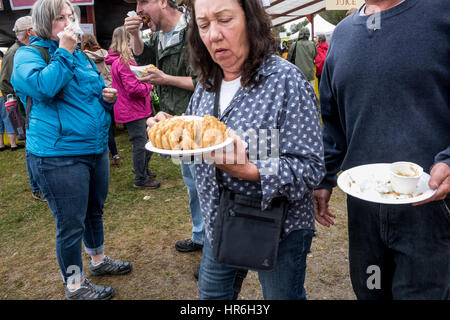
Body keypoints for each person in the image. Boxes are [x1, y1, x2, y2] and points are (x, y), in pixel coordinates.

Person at [148, 0, 325, 299]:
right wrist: (172, 127)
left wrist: (249, 170)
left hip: (278, 227)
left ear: (250, 21)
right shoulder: (207, 83)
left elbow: (310, 168)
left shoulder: (286, 82)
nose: (213, 35)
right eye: (203, 26)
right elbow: (195, 138)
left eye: (225, 20)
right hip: (219, 223)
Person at [315, 0, 450, 299]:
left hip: (431, 210)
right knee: (370, 292)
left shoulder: (442, 12)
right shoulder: (343, 34)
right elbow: (333, 120)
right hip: (364, 210)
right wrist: (323, 179)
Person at [11, 0, 132, 300]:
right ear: (42, 21)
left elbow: (89, 96)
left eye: (71, 16)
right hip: (58, 155)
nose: (68, 22)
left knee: (94, 211)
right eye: (59, 18)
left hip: (93, 149)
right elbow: (43, 88)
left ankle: (99, 261)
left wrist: (107, 99)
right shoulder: (29, 55)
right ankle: (75, 286)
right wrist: (63, 51)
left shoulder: (82, 56)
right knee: (70, 224)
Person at [124, 0, 204, 254]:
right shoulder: (159, 35)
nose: (138, 9)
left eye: (143, 1)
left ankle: (213, 248)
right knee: (193, 184)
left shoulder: (194, 31)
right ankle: (201, 236)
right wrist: (135, 34)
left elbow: (206, 82)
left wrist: (165, 78)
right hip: (173, 119)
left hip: (198, 121)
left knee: (204, 186)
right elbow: (142, 55)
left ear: (162, 1)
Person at [105, 26, 160, 189]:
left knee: (147, 141)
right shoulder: (124, 62)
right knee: (141, 143)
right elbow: (133, 89)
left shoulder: (119, 61)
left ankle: (141, 168)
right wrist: (149, 86)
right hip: (133, 109)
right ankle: (140, 178)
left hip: (132, 108)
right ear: (126, 40)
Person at [0, 16, 43, 201]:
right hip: (22, 110)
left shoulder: (23, 50)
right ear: (29, 32)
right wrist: (21, 109)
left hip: (28, 109)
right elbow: (7, 84)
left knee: (32, 148)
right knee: (31, 150)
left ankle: (38, 186)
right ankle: (37, 187)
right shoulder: (15, 53)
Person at [81, 33, 120, 168]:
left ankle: (104, 154)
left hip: (99, 93)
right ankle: (115, 155)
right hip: (111, 90)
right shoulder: (106, 54)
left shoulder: (83, 58)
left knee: (104, 126)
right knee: (109, 126)